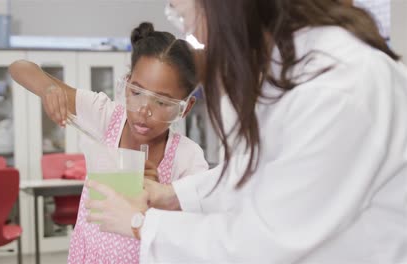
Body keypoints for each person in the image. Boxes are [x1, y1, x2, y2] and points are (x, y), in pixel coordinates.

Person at [84, 1, 407, 263]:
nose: (192, 35)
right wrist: (171, 196)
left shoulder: (336, 87)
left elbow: (268, 240)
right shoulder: (287, 68)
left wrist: (142, 223)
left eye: (184, 17)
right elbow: (262, 170)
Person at [9, 22, 209, 263]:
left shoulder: (187, 156)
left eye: (162, 102)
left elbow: (199, 233)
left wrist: (162, 197)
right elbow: (19, 68)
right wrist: (50, 89)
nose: (143, 110)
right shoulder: (105, 117)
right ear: (126, 83)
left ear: (185, 108)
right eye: (136, 92)